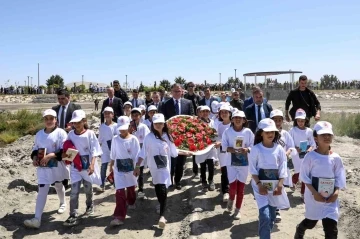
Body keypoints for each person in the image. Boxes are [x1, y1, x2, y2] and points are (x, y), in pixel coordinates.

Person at [134, 113, 191, 229]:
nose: (159, 125)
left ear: (164, 124)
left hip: (165, 168)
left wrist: (187, 153)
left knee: (163, 188)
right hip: (154, 168)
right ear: (153, 124)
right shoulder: (148, 138)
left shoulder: (168, 137)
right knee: (158, 188)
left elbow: (173, 152)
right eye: (156, 123)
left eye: (161, 123)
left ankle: (162, 216)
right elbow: (142, 153)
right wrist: (137, 166)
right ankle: (161, 205)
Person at [294, 121, 346, 239]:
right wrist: (315, 193)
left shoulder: (336, 158)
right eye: (323, 135)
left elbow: (339, 177)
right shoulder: (310, 157)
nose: (327, 137)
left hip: (331, 198)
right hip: (314, 197)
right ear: (316, 138)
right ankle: (300, 229)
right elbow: (304, 177)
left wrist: (336, 192)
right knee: (311, 222)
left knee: (331, 228)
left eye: (329, 135)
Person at [24, 109, 69, 229]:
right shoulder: (39, 134)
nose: (49, 121)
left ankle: (62, 203)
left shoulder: (61, 133)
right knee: (42, 189)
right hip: (43, 168)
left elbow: (64, 150)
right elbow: (35, 148)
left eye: (51, 118)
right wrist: (34, 158)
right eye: (46, 119)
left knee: (58, 184)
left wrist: (50, 155)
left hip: (57, 166)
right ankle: (37, 218)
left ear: (56, 120)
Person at [248, 119, 290, 239]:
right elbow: (253, 170)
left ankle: (265, 233)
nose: (270, 134)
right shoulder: (256, 149)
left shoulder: (279, 149)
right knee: (265, 216)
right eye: (267, 132)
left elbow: (283, 168)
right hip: (259, 187)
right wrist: (259, 185)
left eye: (272, 131)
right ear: (261, 133)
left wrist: (280, 185)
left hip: (275, 187)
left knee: (271, 216)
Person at [63, 110, 102, 226]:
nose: (76, 125)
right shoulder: (70, 134)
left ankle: (89, 205)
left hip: (87, 167)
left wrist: (92, 164)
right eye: (74, 123)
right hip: (75, 168)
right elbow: (68, 149)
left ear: (84, 121)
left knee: (87, 188)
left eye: (79, 122)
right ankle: (73, 214)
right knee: (74, 191)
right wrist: (67, 158)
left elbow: (95, 150)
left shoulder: (90, 134)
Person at [222, 110, 254, 220]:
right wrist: (230, 149)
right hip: (231, 163)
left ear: (244, 120)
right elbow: (224, 145)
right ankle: (231, 199)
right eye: (235, 117)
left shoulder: (248, 132)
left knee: (241, 188)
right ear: (232, 119)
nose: (238, 119)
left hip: (244, 164)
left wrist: (247, 149)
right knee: (233, 187)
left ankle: (238, 209)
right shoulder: (227, 131)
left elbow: (252, 145)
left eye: (240, 118)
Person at [109, 116, 140, 226]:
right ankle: (119, 216)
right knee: (120, 192)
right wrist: (111, 165)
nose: (122, 130)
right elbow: (113, 154)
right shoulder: (115, 139)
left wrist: (137, 167)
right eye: (120, 128)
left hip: (131, 169)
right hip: (119, 170)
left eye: (124, 128)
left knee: (131, 187)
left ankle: (131, 201)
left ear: (129, 126)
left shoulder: (133, 139)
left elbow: (137, 155)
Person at [162, 83, 194, 189]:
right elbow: (163, 119)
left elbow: (191, 118)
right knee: (171, 160)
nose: (177, 93)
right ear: (171, 92)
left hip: (183, 137)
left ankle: (178, 180)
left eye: (179, 91)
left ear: (182, 91)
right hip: (170, 137)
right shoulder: (165, 104)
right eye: (175, 91)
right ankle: (170, 180)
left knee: (181, 160)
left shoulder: (188, 103)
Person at [52, 89, 81, 189]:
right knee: (61, 157)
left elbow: (81, 122)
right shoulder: (55, 109)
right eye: (59, 99)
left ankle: (71, 179)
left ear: (68, 97)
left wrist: (72, 128)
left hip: (71, 136)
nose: (60, 101)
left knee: (70, 157)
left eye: (63, 98)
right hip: (59, 137)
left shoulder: (76, 108)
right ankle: (62, 179)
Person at [270, 109, 296, 223]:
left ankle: (276, 210)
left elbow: (292, 147)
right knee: (271, 187)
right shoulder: (267, 134)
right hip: (270, 166)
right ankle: (272, 210)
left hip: (282, 166)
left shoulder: (285, 134)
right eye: (275, 120)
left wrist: (288, 152)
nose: (277, 122)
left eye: (279, 120)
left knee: (280, 187)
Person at [289, 109, 316, 201]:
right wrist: (296, 148)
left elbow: (313, 144)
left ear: (305, 121)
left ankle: (303, 193)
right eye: (298, 121)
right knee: (298, 172)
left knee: (305, 173)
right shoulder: (292, 130)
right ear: (296, 121)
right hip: (296, 155)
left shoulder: (309, 131)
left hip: (306, 155)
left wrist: (309, 149)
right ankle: (292, 181)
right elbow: (289, 143)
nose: (300, 123)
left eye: (302, 121)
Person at [195, 106, 219, 191]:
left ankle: (211, 180)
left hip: (211, 147)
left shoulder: (212, 122)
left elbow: (215, 132)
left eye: (207, 111)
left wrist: (213, 136)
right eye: (203, 111)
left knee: (211, 164)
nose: (205, 113)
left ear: (209, 113)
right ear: (200, 113)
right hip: (201, 147)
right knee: (203, 165)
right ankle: (204, 182)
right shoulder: (197, 122)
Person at [129, 108, 150, 198]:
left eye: (136, 115)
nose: (135, 117)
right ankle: (132, 188)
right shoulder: (129, 126)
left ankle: (141, 190)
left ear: (140, 116)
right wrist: (129, 130)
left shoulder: (143, 127)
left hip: (140, 152)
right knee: (131, 172)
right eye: (133, 115)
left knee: (140, 172)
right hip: (130, 153)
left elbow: (146, 140)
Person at [98, 107, 118, 191]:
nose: (107, 115)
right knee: (104, 166)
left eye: (109, 113)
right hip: (105, 150)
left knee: (115, 166)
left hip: (115, 149)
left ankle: (116, 183)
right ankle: (102, 184)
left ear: (112, 115)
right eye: (105, 113)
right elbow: (100, 139)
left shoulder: (116, 126)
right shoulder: (102, 126)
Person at [215, 104, 232, 202]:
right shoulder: (220, 126)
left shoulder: (233, 125)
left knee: (232, 171)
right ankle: (225, 191)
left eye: (226, 112)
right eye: (222, 112)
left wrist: (221, 142)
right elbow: (218, 138)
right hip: (222, 152)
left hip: (232, 151)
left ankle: (232, 190)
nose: (224, 114)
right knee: (224, 171)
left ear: (230, 113)